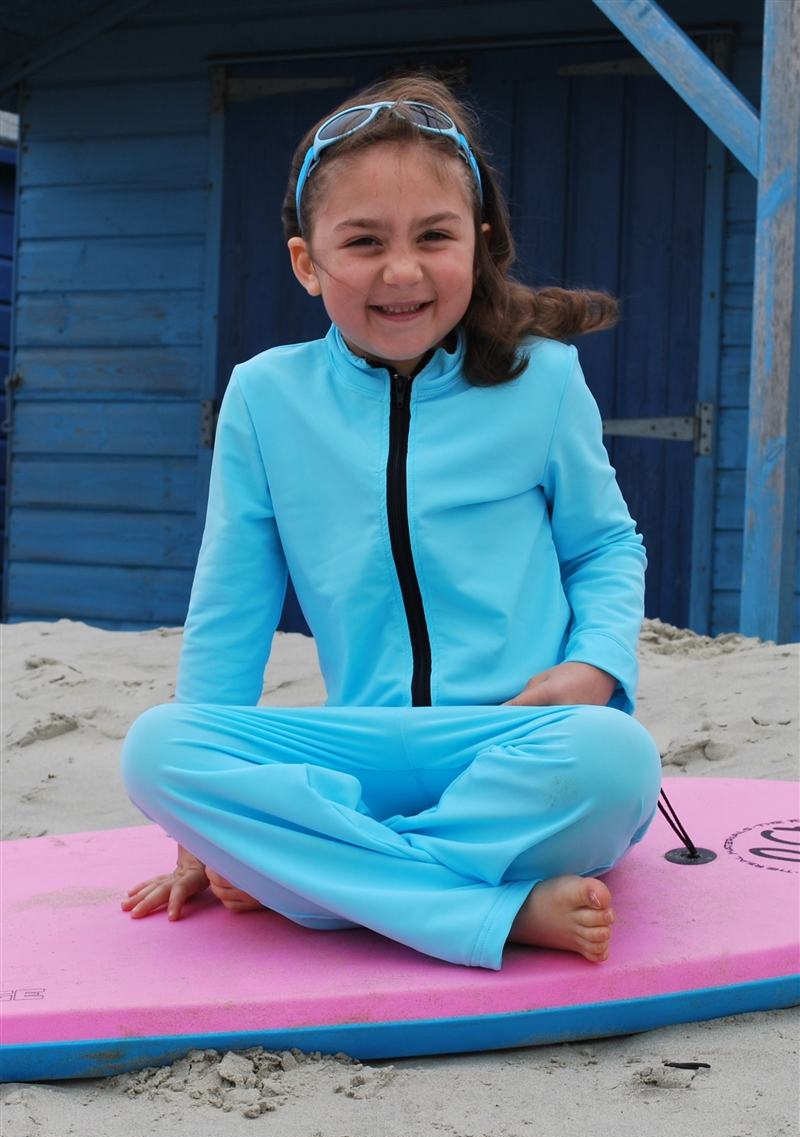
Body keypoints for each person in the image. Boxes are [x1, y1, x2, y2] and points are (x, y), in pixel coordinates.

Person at [120, 75, 662, 971]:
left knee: (618, 761)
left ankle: (331, 880)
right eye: (364, 241)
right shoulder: (264, 397)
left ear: (477, 243)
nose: (402, 271)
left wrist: (595, 664)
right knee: (157, 750)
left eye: (434, 237)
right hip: (360, 749)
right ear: (308, 262)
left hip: (512, 739)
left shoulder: (544, 377)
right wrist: (195, 835)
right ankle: (493, 906)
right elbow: (230, 606)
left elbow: (605, 544)